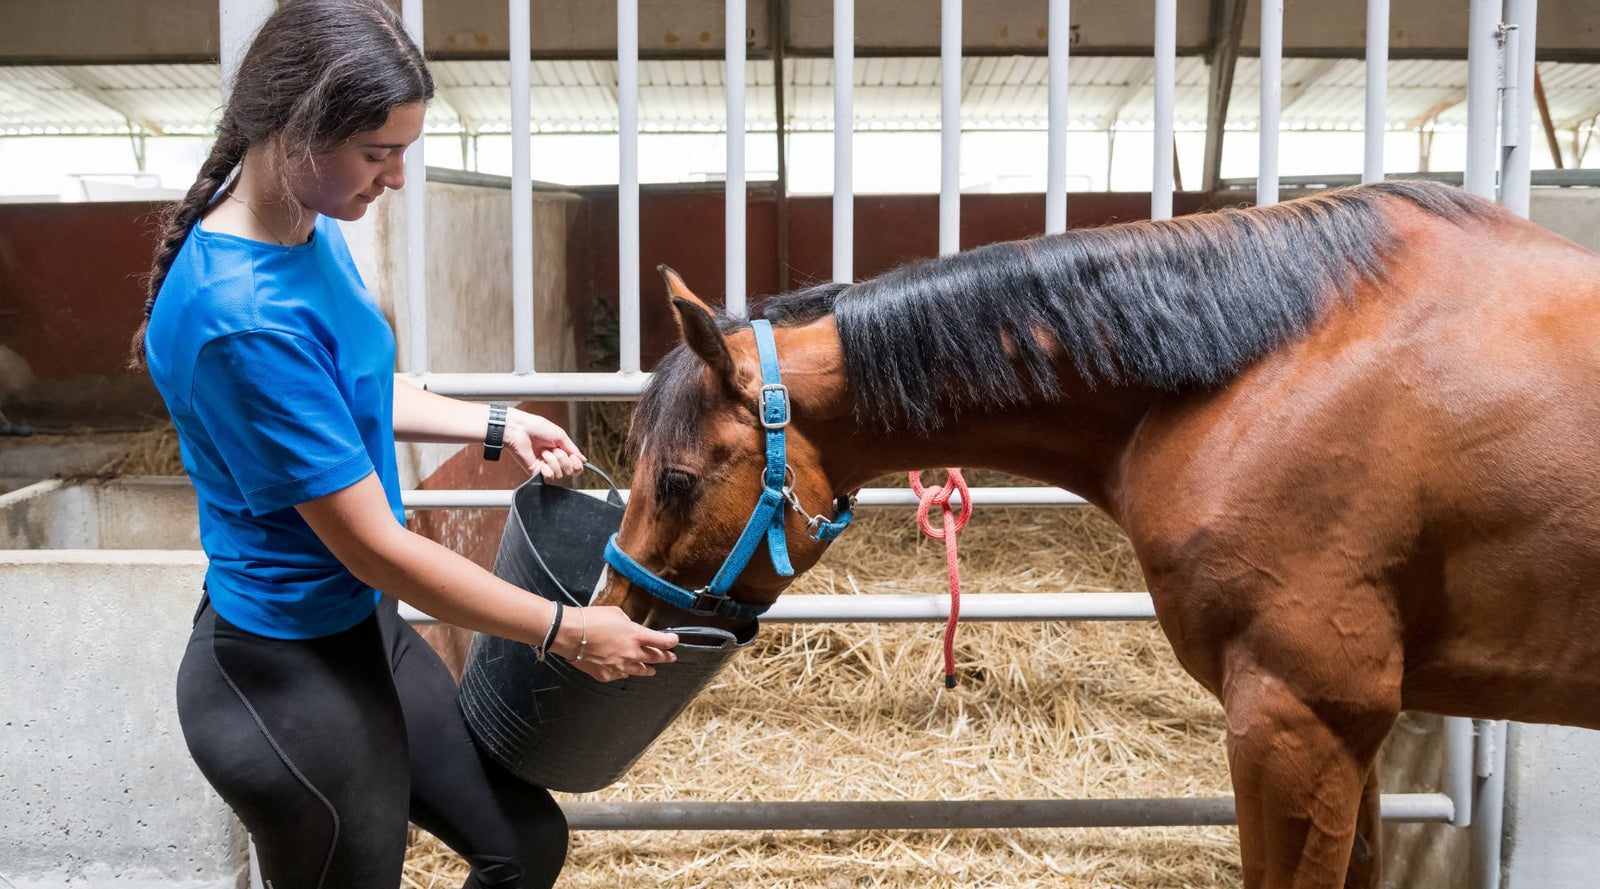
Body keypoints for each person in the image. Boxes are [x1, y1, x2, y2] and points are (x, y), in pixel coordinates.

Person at [129, 2, 679, 886]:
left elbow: (346, 388)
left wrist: (496, 423)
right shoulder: (239, 317)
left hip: (361, 628)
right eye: (377, 154)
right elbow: (379, 548)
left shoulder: (304, 227)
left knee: (522, 843)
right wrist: (566, 630)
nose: (392, 180)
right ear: (292, 128)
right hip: (283, 666)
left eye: (403, 154)